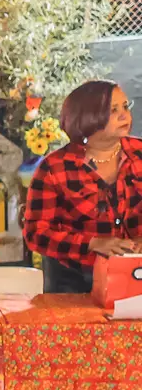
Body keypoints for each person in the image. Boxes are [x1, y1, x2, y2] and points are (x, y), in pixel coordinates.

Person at [24, 80, 141, 295]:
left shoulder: (139, 153)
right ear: (87, 117)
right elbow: (36, 233)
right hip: (73, 281)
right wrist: (92, 243)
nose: (124, 116)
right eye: (113, 110)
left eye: (125, 107)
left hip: (135, 276)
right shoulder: (54, 168)